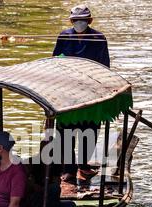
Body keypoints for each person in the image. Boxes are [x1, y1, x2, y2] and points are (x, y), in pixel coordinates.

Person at [52, 4, 110, 183]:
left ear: (90, 21)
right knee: (65, 132)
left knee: (89, 129)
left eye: (83, 20)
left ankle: (83, 166)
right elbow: (55, 61)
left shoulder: (98, 38)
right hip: (67, 92)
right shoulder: (64, 36)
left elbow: (104, 66)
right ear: (71, 21)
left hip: (90, 91)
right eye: (76, 20)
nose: (79, 23)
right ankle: (68, 169)